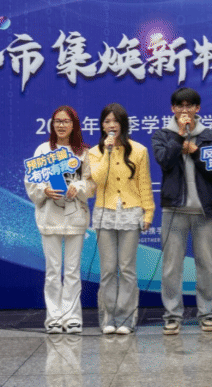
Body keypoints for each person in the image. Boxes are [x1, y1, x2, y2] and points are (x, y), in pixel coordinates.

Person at [151, 87, 212, 335]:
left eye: (189, 106)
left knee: (207, 265)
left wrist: (196, 151)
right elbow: (164, 161)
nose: (184, 110)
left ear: (197, 109)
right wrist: (179, 138)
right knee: (171, 267)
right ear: (173, 109)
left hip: (203, 211)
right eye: (179, 106)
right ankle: (172, 315)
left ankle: (207, 314)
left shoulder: (210, 136)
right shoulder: (163, 135)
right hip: (174, 210)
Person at [25, 105, 96, 334]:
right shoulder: (43, 150)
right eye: (57, 121)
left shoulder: (84, 152)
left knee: (73, 270)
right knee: (53, 271)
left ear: (74, 125)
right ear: (52, 124)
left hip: (75, 217)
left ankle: (72, 317)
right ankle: (54, 318)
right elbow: (31, 180)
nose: (61, 125)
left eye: (66, 121)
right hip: (50, 217)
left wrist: (79, 187)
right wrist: (44, 190)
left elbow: (92, 183)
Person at [88, 103, 155, 335]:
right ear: (102, 125)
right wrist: (107, 152)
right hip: (104, 214)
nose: (111, 125)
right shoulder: (95, 152)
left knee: (127, 268)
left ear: (123, 124)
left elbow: (144, 184)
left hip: (131, 213)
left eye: (115, 121)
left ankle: (126, 318)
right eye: (107, 121)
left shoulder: (139, 150)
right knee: (108, 269)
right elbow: (97, 179)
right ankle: (108, 318)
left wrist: (148, 212)